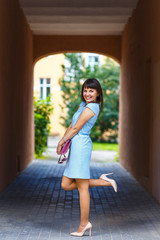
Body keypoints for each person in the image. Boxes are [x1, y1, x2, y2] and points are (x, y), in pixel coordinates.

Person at [57, 78, 117, 237]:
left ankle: (84, 224)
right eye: (85, 90)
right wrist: (64, 140)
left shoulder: (93, 107)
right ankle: (103, 181)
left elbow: (77, 127)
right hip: (75, 145)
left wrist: (62, 141)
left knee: (82, 187)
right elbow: (72, 124)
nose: (87, 93)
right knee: (65, 184)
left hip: (81, 146)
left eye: (91, 90)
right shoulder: (83, 105)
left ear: (98, 93)